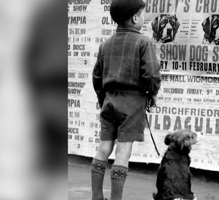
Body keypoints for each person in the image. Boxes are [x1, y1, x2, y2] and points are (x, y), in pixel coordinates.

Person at [91, 0, 161, 199]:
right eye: (143, 13)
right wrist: (152, 94)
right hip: (132, 104)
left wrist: (103, 98)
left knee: (103, 149)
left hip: (109, 101)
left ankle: (96, 196)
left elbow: (97, 77)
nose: (144, 17)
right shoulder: (143, 42)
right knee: (123, 153)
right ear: (135, 18)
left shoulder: (105, 45)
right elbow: (152, 75)